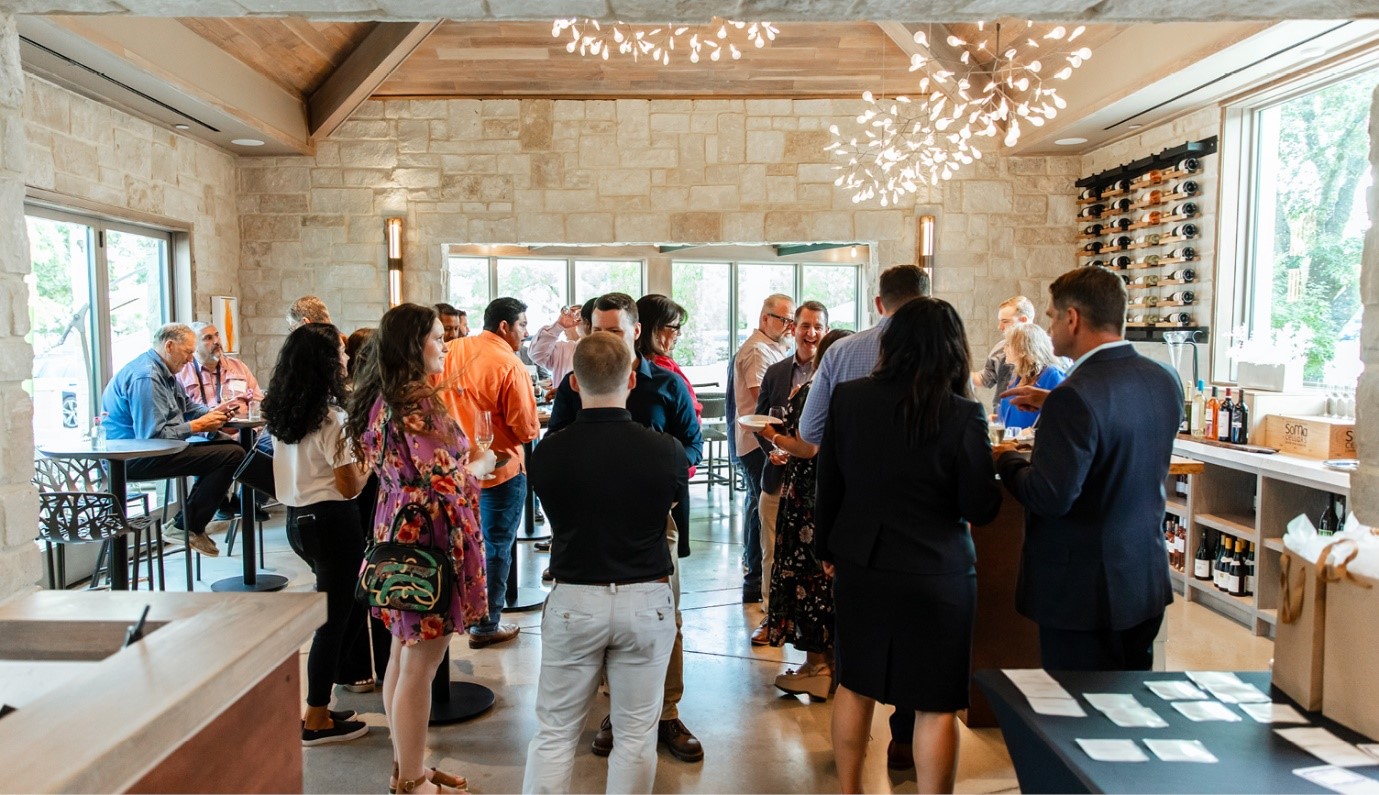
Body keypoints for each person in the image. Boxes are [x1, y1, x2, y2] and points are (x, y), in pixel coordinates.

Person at [816, 298, 1002, 794]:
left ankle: (851, 790)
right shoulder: (963, 414)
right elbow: (980, 506)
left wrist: (828, 551)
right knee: (935, 701)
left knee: (855, 686)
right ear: (953, 349)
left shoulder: (850, 398)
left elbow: (827, 483)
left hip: (863, 563)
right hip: (936, 571)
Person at [995, 266, 1183, 672]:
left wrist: (1005, 459)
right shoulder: (1163, 379)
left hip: (1083, 592)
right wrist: (1052, 402)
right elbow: (1118, 425)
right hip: (1142, 578)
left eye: (1050, 316)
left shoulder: (1075, 395)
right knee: (1127, 709)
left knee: (1077, 720)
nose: (1048, 326)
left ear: (1073, 318)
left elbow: (1050, 495)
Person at [547, 292, 704, 763]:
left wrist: (664, 473)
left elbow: (692, 448)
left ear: (636, 331)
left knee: (664, 615)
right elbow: (557, 445)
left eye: (614, 331)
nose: (605, 340)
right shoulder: (575, 386)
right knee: (599, 618)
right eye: (597, 331)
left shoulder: (667, 385)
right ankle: (620, 709)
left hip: (656, 519)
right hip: (589, 522)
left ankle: (667, 712)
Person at [522, 333, 682, 794]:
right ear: (632, 379)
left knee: (554, 734)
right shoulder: (666, 450)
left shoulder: (549, 453)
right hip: (647, 597)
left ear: (573, 383)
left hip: (575, 596)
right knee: (635, 738)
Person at [346, 303, 494, 795]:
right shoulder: (416, 403)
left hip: (396, 535)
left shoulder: (379, 398)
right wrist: (481, 464)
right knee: (420, 665)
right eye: (436, 336)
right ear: (414, 345)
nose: (445, 344)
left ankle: (406, 765)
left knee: (401, 656)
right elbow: (442, 482)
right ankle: (410, 779)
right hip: (427, 542)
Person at [796, 263, 929, 771]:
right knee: (921, 649)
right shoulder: (941, 354)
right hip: (922, 526)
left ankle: (851, 776)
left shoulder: (844, 353)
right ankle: (903, 738)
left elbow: (812, 433)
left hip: (857, 519)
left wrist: (827, 540)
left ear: (878, 303)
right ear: (927, 299)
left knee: (860, 653)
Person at [263, 322, 370, 747]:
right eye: (341, 352)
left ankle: (320, 706)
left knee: (333, 613)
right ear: (327, 363)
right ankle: (317, 716)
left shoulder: (283, 410)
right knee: (333, 621)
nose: (346, 359)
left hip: (297, 521)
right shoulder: (332, 417)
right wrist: (370, 460)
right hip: (332, 521)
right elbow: (349, 485)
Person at [101, 323, 275, 557]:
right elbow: (152, 437)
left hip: (152, 449)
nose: (190, 359)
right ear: (169, 346)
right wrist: (199, 426)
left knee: (235, 448)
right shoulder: (147, 377)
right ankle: (188, 525)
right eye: (187, 352)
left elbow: (189, 407)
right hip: (130, 458)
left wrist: (214, 413)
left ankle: (242, 502)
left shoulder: (165, 372)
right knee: (231, 455)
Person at [437, 297, 541, 649]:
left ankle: (454, 616)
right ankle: (486, 624)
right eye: (523, 326)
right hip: (499, 469)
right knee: (496, 546)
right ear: (504, 327)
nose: (525, 334)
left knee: (459, 546)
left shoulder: (450, 350)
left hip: (452, 469)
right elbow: (526, 429)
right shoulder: (510, 365)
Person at [756, 327, 851, 698]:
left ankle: (817, 666)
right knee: (826, 582)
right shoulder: (855, 394)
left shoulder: (817, 390)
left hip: (806, 497)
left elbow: (807, 447)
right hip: (834, 493)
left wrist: (772, 435)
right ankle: (831, 663)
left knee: (806, 579)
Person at [747, 300, 828, 643]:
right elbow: (759, 419)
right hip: (779, 477)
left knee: (814, 564)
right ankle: (770, 619)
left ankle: (813, 632)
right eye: (805, 326)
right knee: (771, 553)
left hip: (817, 485)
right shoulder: (777, 371)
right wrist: (773, 449)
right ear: (793, 329)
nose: (811, 333)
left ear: (825, 331)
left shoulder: (830, 372)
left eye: (817, 327)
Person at [726, 293, 795, 603]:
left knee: (754, 503)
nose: (789, 326)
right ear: (765, 318)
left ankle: (752, 571)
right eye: (784, 320)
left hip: (759, 441)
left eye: (791, 321)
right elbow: (763, 401)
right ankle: (755, 578)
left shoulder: (772, 348)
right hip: (757, 441)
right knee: (759, 505)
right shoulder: (757, 351)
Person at [175, 320, 272, 519]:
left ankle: (248, 501)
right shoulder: (182, 373)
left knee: (276, 444)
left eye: (217, 335)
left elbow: (258, 401)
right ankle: (219, 502)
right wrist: (211, 424)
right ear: (194, 347)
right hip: (204, 434)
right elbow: (181, 413)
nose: (216, 341)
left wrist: (251, 415)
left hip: (247, 431)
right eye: (208, 338)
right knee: (228, 451)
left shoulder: (237, 367)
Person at [634, 293, 700, 559]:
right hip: (659, 480)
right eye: (673, 327)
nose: (677, 335)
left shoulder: (665, 368)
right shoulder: (654, 372)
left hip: (673, 471)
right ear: (652, 328)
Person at [997, 322, 1068, 432]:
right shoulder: (1017, 377)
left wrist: (1033, 432)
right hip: (1013, 446)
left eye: (1008, 344)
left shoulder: (1052, 376)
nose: (1004, 349)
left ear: (1023, 348)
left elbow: (1065, 417)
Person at [971, 295, 1035, 416]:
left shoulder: (1048, 355)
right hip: (1003, 417)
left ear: (1024, 320)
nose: (1000, 327)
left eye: (1005, 321)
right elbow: (986, 378)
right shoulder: (1000, 348)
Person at [529, 299, 593, 396]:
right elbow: (536, 354)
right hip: (564, 409)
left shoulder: (612, 352)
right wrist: (559, 325)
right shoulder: (565, 349)